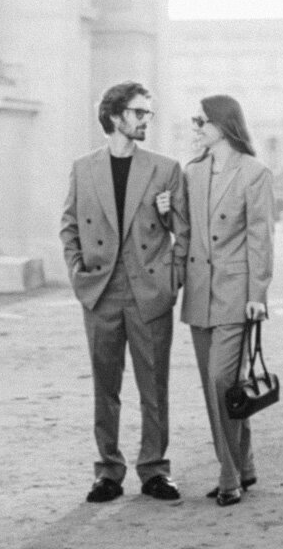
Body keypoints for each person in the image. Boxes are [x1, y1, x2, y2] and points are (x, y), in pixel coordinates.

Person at [60, 81, 189, 504]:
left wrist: (171, 279)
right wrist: (79, 275)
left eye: (148, 113)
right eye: (138, 113)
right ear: (115, 117)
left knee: (155, 385)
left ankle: (154, 469)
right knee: (105, 386)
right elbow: (69, 227)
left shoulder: (166, 168)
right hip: (101, 291)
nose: (146, 120)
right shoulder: (84, 168)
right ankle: (108, 472)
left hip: (150, 290)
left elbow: (183, 232)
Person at [180, 94, 275, 507]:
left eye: (201, 120)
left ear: (222, 124)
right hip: (200, 292)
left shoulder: (254, 173)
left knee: (222, 380)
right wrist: (166, 210)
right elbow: (184, 230)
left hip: (236, 295)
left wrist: (257, 295)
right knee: (217, 386)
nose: (196, 127)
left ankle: (228, 475)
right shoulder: (192, 172)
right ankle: (245, 463)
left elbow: (260, 238)